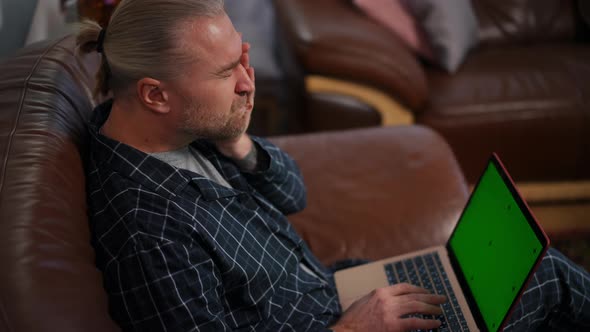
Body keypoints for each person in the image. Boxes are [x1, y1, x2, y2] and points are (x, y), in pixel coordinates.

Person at [77, 0, 590, 331]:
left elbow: (293, 194)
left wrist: (240, 145)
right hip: (335, 322)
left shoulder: (181, 127)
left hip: (330, 288)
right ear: (155, 95)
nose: (247, 82)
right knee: (546, 277)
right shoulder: (149, 231)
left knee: (491, 275)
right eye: (225, 71)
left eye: (244, 59)